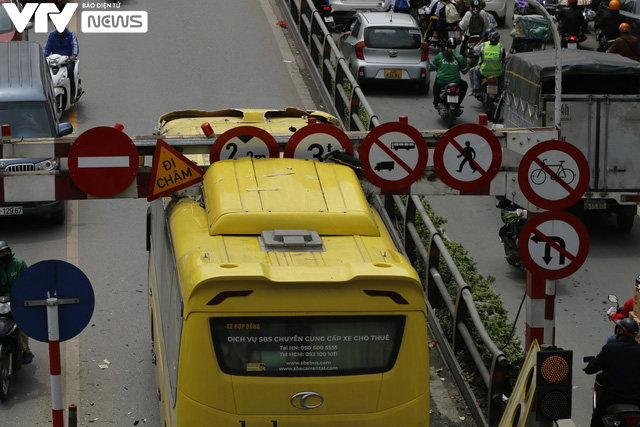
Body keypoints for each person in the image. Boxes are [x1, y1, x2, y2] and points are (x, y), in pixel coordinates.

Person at [584, 318, 640, 427]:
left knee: (597, 417)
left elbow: (591, 369)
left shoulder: (610, 348)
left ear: (620, 331)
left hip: (611, 398)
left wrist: (588, 367)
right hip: (637, 399)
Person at [0, 241, 33, 364]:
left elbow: (28, 283)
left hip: (18, 302)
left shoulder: (19, 264)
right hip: (2, 304)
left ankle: (26, 349)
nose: (5, 254)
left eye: (7, 251)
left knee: (22, 324)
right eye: (2, 253)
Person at [428, 37, 469, 108]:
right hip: (455, 81)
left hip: (441, 81)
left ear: (447, 45)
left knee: (436, 86)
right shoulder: (459, 56)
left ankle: (436, 102)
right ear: (456, 46)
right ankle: (458, 103)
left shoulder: (440, 55)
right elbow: (465, 70)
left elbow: (431, 68)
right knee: (464, 85)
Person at [44, 27, 82, 102]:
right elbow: (47, 48)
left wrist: (73, 55)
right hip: (56, 60)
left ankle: (72, 94)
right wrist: (44, 56)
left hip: (68, 60)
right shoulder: (52, 35)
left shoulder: (71, 34)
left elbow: (75, 46)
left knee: (70, 71)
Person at [471, 30, 506, 96]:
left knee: (475, 72)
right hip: (497, 72)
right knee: (503, 73)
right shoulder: (500, 47)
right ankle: (501, 91)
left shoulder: (483, 46)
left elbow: (482, 59)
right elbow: (503, 61)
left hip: (484, 71)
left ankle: (476, 89)